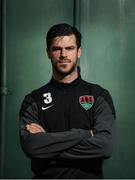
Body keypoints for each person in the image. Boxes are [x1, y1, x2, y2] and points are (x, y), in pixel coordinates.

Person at [19, 23, 116, 179]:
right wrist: (85, 134)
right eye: (57, 49)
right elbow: (32, 147)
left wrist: (48, 144)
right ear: (48, 53)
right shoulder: (33, 100)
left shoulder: (99, 96)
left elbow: (105, 147)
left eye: (70, 48)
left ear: (79, 52)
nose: (63, 54)